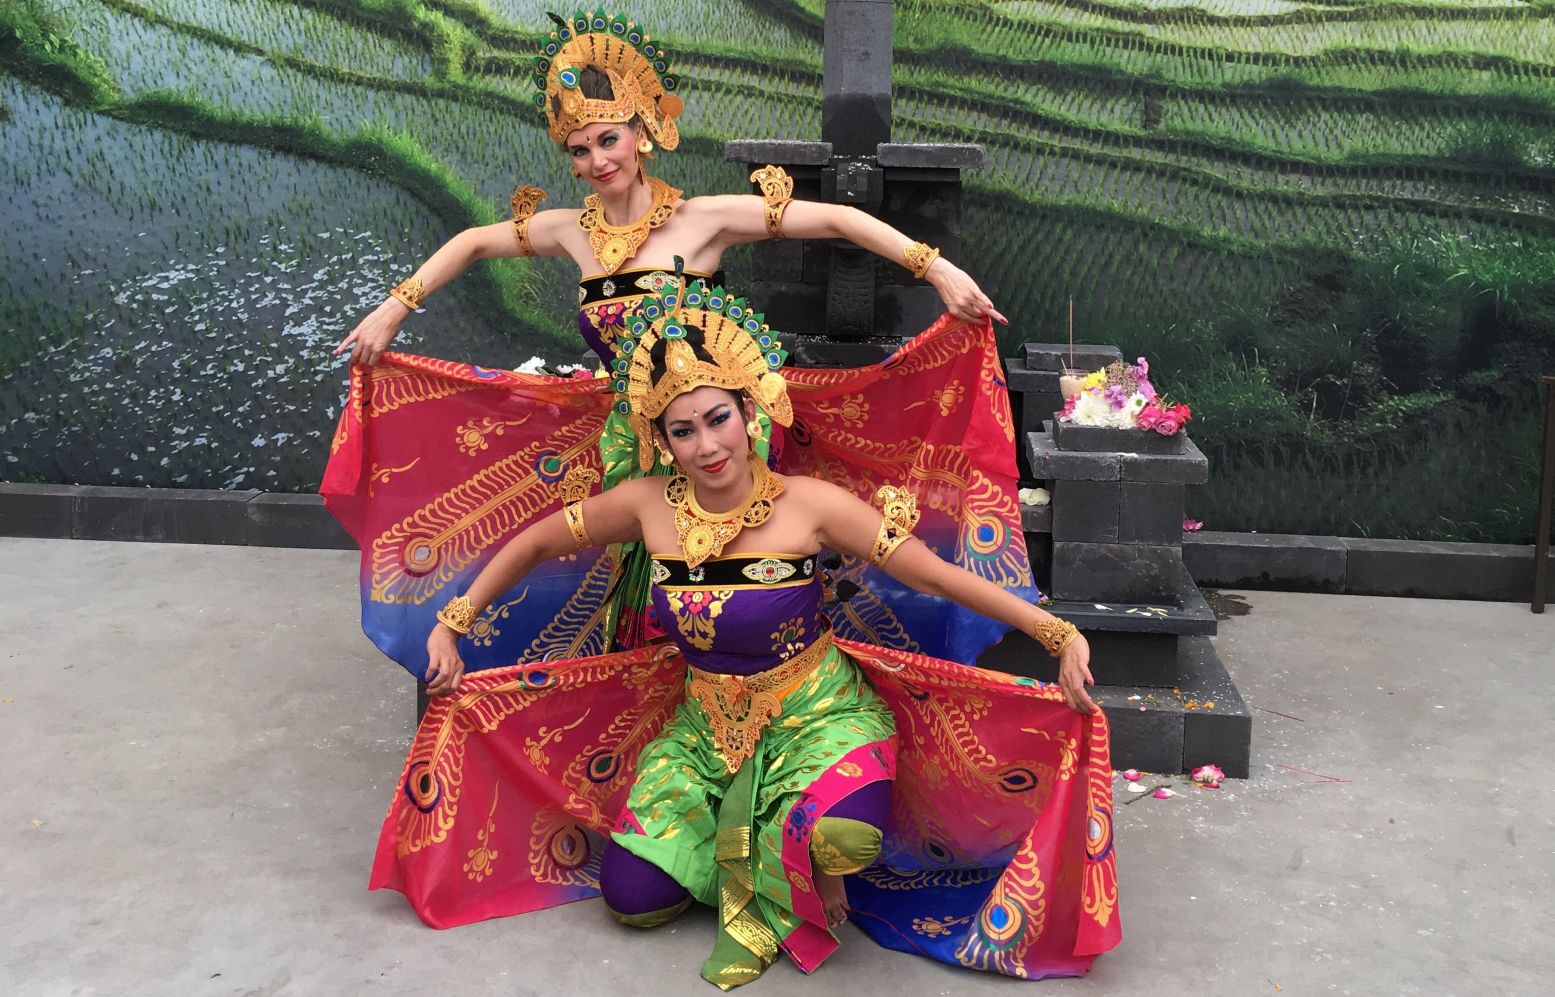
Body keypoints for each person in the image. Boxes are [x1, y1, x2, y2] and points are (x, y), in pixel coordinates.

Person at [363, 275, 1120, 989]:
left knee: (839, 843)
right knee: (631, 899)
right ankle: (750, 842)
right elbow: (531, 540)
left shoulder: (809, 503)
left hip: (817, 715)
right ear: (661, 440)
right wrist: (451, 623)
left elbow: (929, 572)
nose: (706, 445)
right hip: (702, 728)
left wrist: (1052, 630)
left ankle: (779, 841)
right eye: (682, 430)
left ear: (750, 410)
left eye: (717, 417)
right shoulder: (645, 503)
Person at [325, 9, 1018, 658]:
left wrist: (938, 271)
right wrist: (394, 307)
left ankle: (773, 686)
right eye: (579, 150)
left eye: (608, 139)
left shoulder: (701, 221)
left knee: (740, 580)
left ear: (641, 133)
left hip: (721, 432)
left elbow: (838, 220)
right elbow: (475, 241)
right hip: (632, 443)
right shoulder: (572, 231)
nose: (598, 161)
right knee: (640, 584)